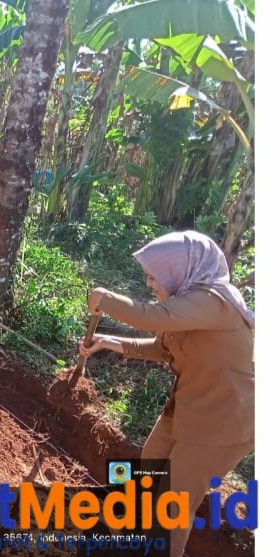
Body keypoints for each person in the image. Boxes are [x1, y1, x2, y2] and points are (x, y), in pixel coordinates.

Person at [78, 231, 253, 557]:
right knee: (151, 463)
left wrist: (104, 297)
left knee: (174, 505)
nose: (149, 283)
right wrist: (110, 342)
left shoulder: (213, 302)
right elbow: (163, 348)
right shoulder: (189, 302)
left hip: (224, 420)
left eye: (153, 276)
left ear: (179, 270)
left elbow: (151, 318)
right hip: (190, 405)